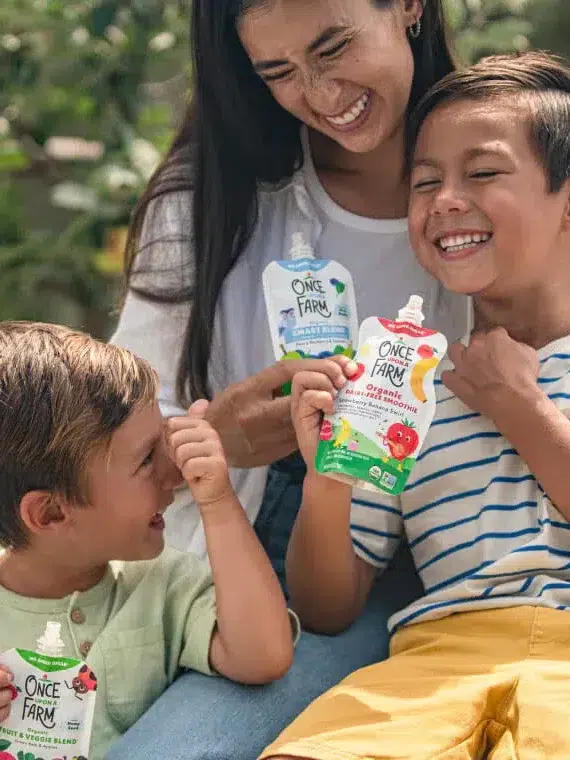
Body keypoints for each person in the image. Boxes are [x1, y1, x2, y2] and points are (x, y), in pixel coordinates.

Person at [109, 0, 469, 757]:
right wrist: (216, 440)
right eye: (278, 72)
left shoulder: (504, 172)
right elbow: (118, 427)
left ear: (408, 6)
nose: (322, 94)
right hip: (226, 554)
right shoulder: (212, 197)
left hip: (426, 559)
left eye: (334, 46)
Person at [259, 50, 570, 760]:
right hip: (431, 672)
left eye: (483, 172)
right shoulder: (398, 385)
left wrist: (521, 407)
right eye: (424, 183)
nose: (444, 200)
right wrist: (328, 480)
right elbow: (328, 609)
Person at [0, 322, 297, 760]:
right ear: (51, 513)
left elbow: (265, 656)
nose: (169, 470)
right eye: (145, 460)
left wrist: (216, 499)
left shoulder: (165, 585)